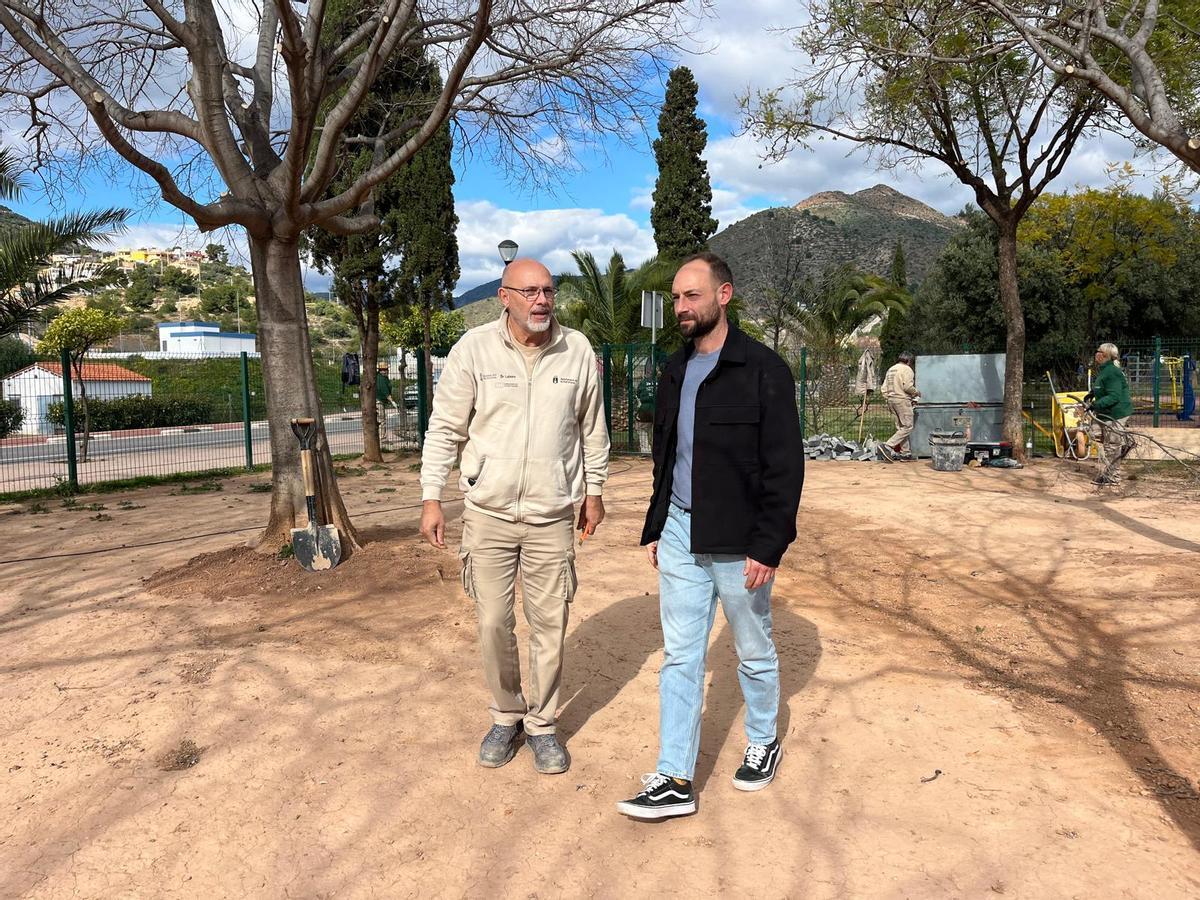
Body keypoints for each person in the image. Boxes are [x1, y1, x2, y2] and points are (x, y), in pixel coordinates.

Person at [616, 252, 804, 820]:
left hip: (740, 539)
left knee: (752, 648)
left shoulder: (764, 369)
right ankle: (674, 776)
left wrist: (768, 545)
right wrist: (656, 526)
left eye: (691, 296)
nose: (680, 307)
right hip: (678, 530)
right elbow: (666, 456)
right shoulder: (675, 368)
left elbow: (785, 466)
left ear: (724, 295)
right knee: (680, 655)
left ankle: (764, 737)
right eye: (675, 298)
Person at [418, 258, 609, 775]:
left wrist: (594, 491)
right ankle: (506, 716)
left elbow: (593, 429)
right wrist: (431, 496)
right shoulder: (474, 350)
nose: (541, 300)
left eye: (548, 290)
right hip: (489, 514)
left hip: (551, 515)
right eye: (529, 291)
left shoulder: (577, 351)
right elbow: (445, 428)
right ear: (504, 297)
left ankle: (543, 725)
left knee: (551, 624)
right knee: (493, 622)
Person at [1084, 342, 1135, 485]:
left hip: (1117, 412)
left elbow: (1114, 396)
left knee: (1111, 445)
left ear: (1104, 355)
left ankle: (1113, 477)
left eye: (1098, 351)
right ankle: (1122, 444)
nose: (1096, 353)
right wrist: (1092, 394)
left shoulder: (1112, 372)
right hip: (1105, 411)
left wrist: (1095, 405)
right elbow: (1103, 388)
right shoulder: (1104, 370)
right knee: (1094, 433)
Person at [880, 350, 920, 461]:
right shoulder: (907, 370)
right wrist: (916, 392)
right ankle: (887, 446)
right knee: (907, 427)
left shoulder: (891, 369)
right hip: (902, 400)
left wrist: (889, 397)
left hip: (891, 400)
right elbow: (907, 387)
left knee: (901, 428)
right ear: (908, 361)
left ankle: (905, 453)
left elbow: (883, 388)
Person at [375, 362, 395, 438]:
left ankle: (379, 436)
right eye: (384, 369)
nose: (386, 371)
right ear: (380, 370)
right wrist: (393, 402)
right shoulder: (381, 379)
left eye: (386, 369)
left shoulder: (380, 377)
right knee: (382, 420)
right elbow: (386, 392)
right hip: (379, 401)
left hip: (377, 400)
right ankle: (382, 437)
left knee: (378, 419)